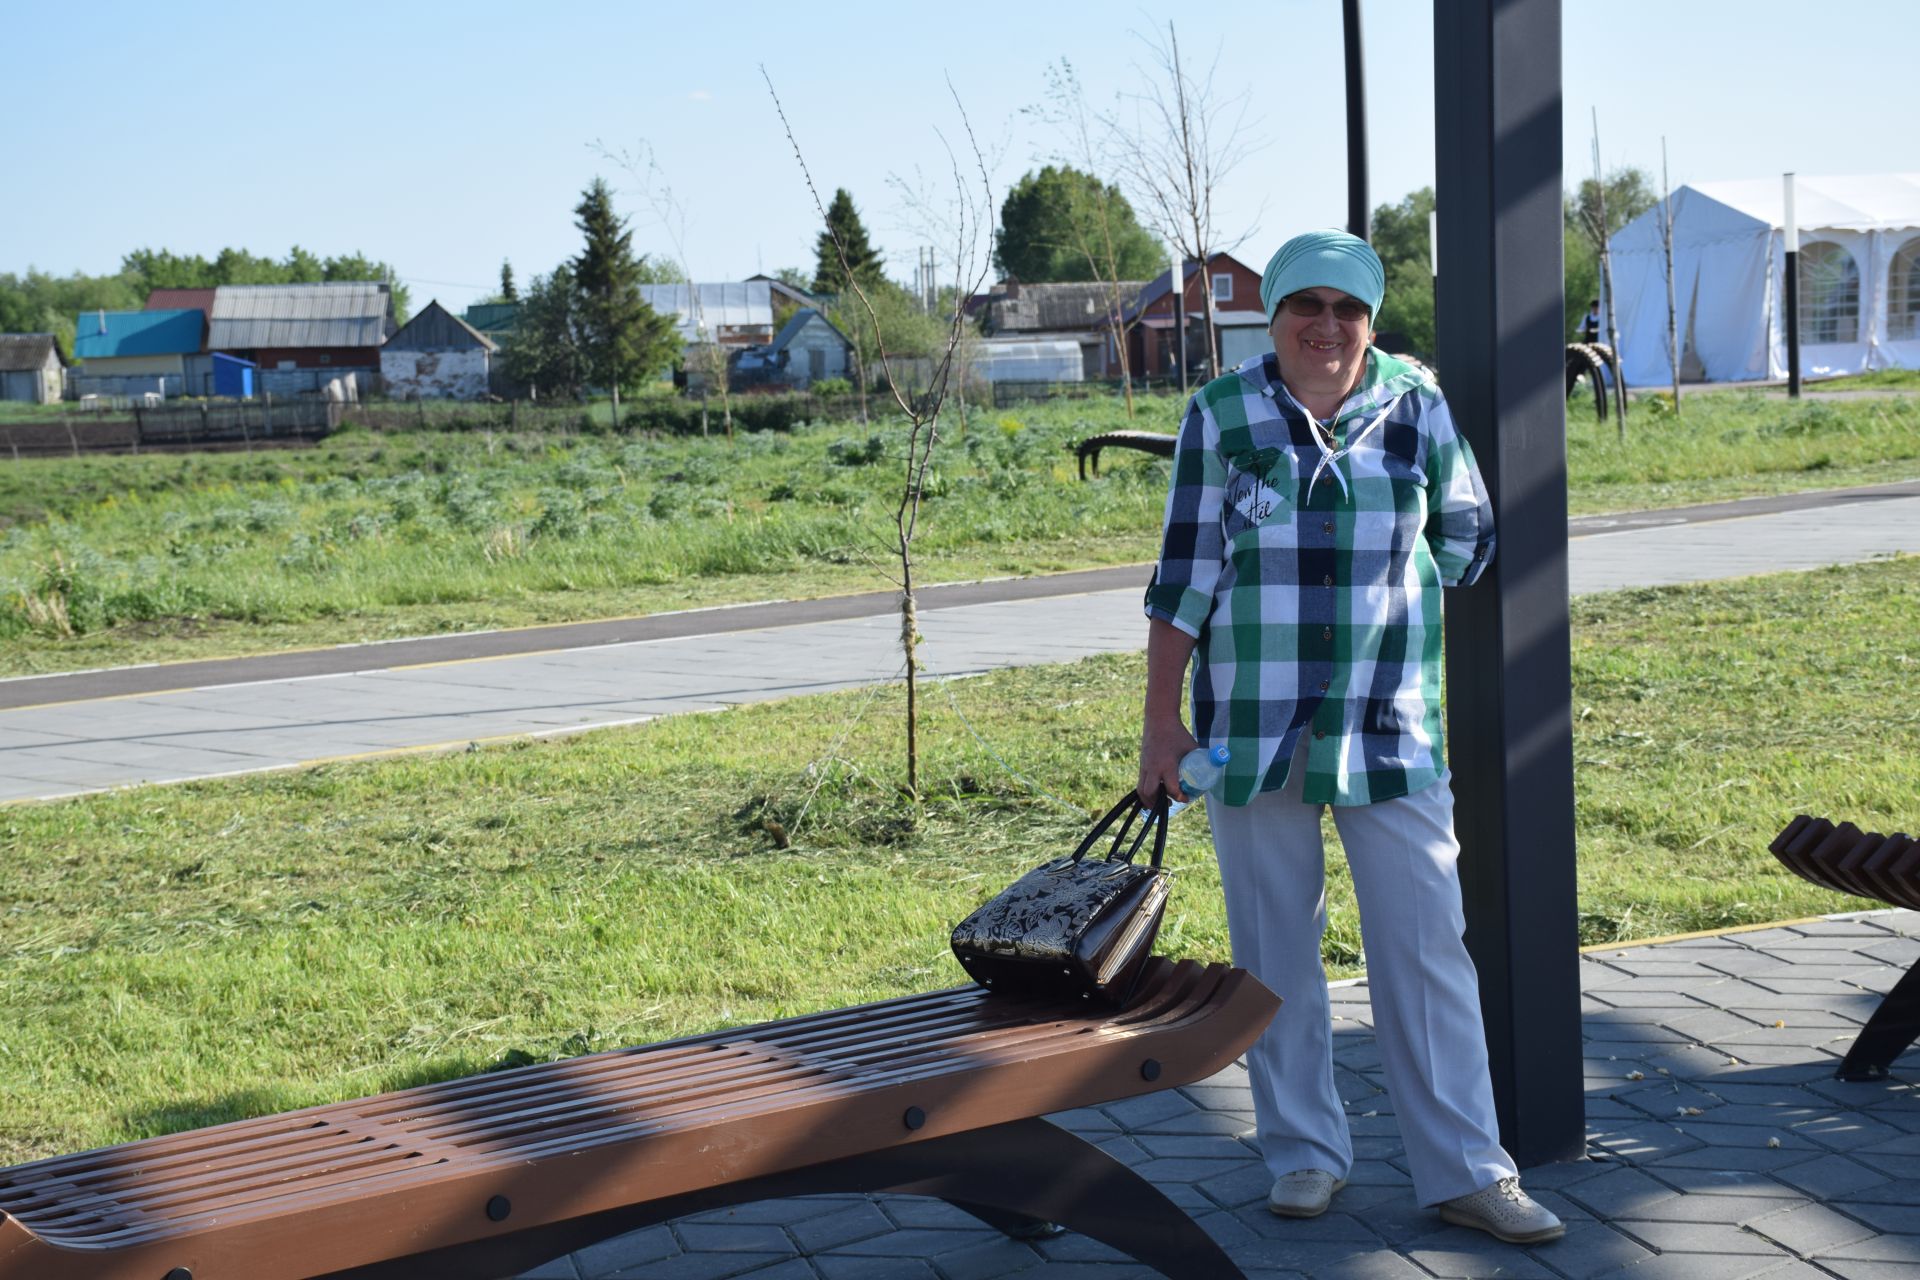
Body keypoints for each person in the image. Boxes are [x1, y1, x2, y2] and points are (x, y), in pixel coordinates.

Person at [1137, 229, 1563, 1244]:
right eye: (1305, 305)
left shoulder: (1417, 406)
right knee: (1272, 952)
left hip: (1390, 730)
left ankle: (1467, 1167)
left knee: (1427, 951)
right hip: (1254, 731)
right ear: (1273, 314)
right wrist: (1161, 719)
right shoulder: (1222, 413)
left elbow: (1466, 538)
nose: (1326, 326)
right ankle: (1301, 1153)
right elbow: (1183, 577)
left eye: (1349, 309)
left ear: (1371, 321)